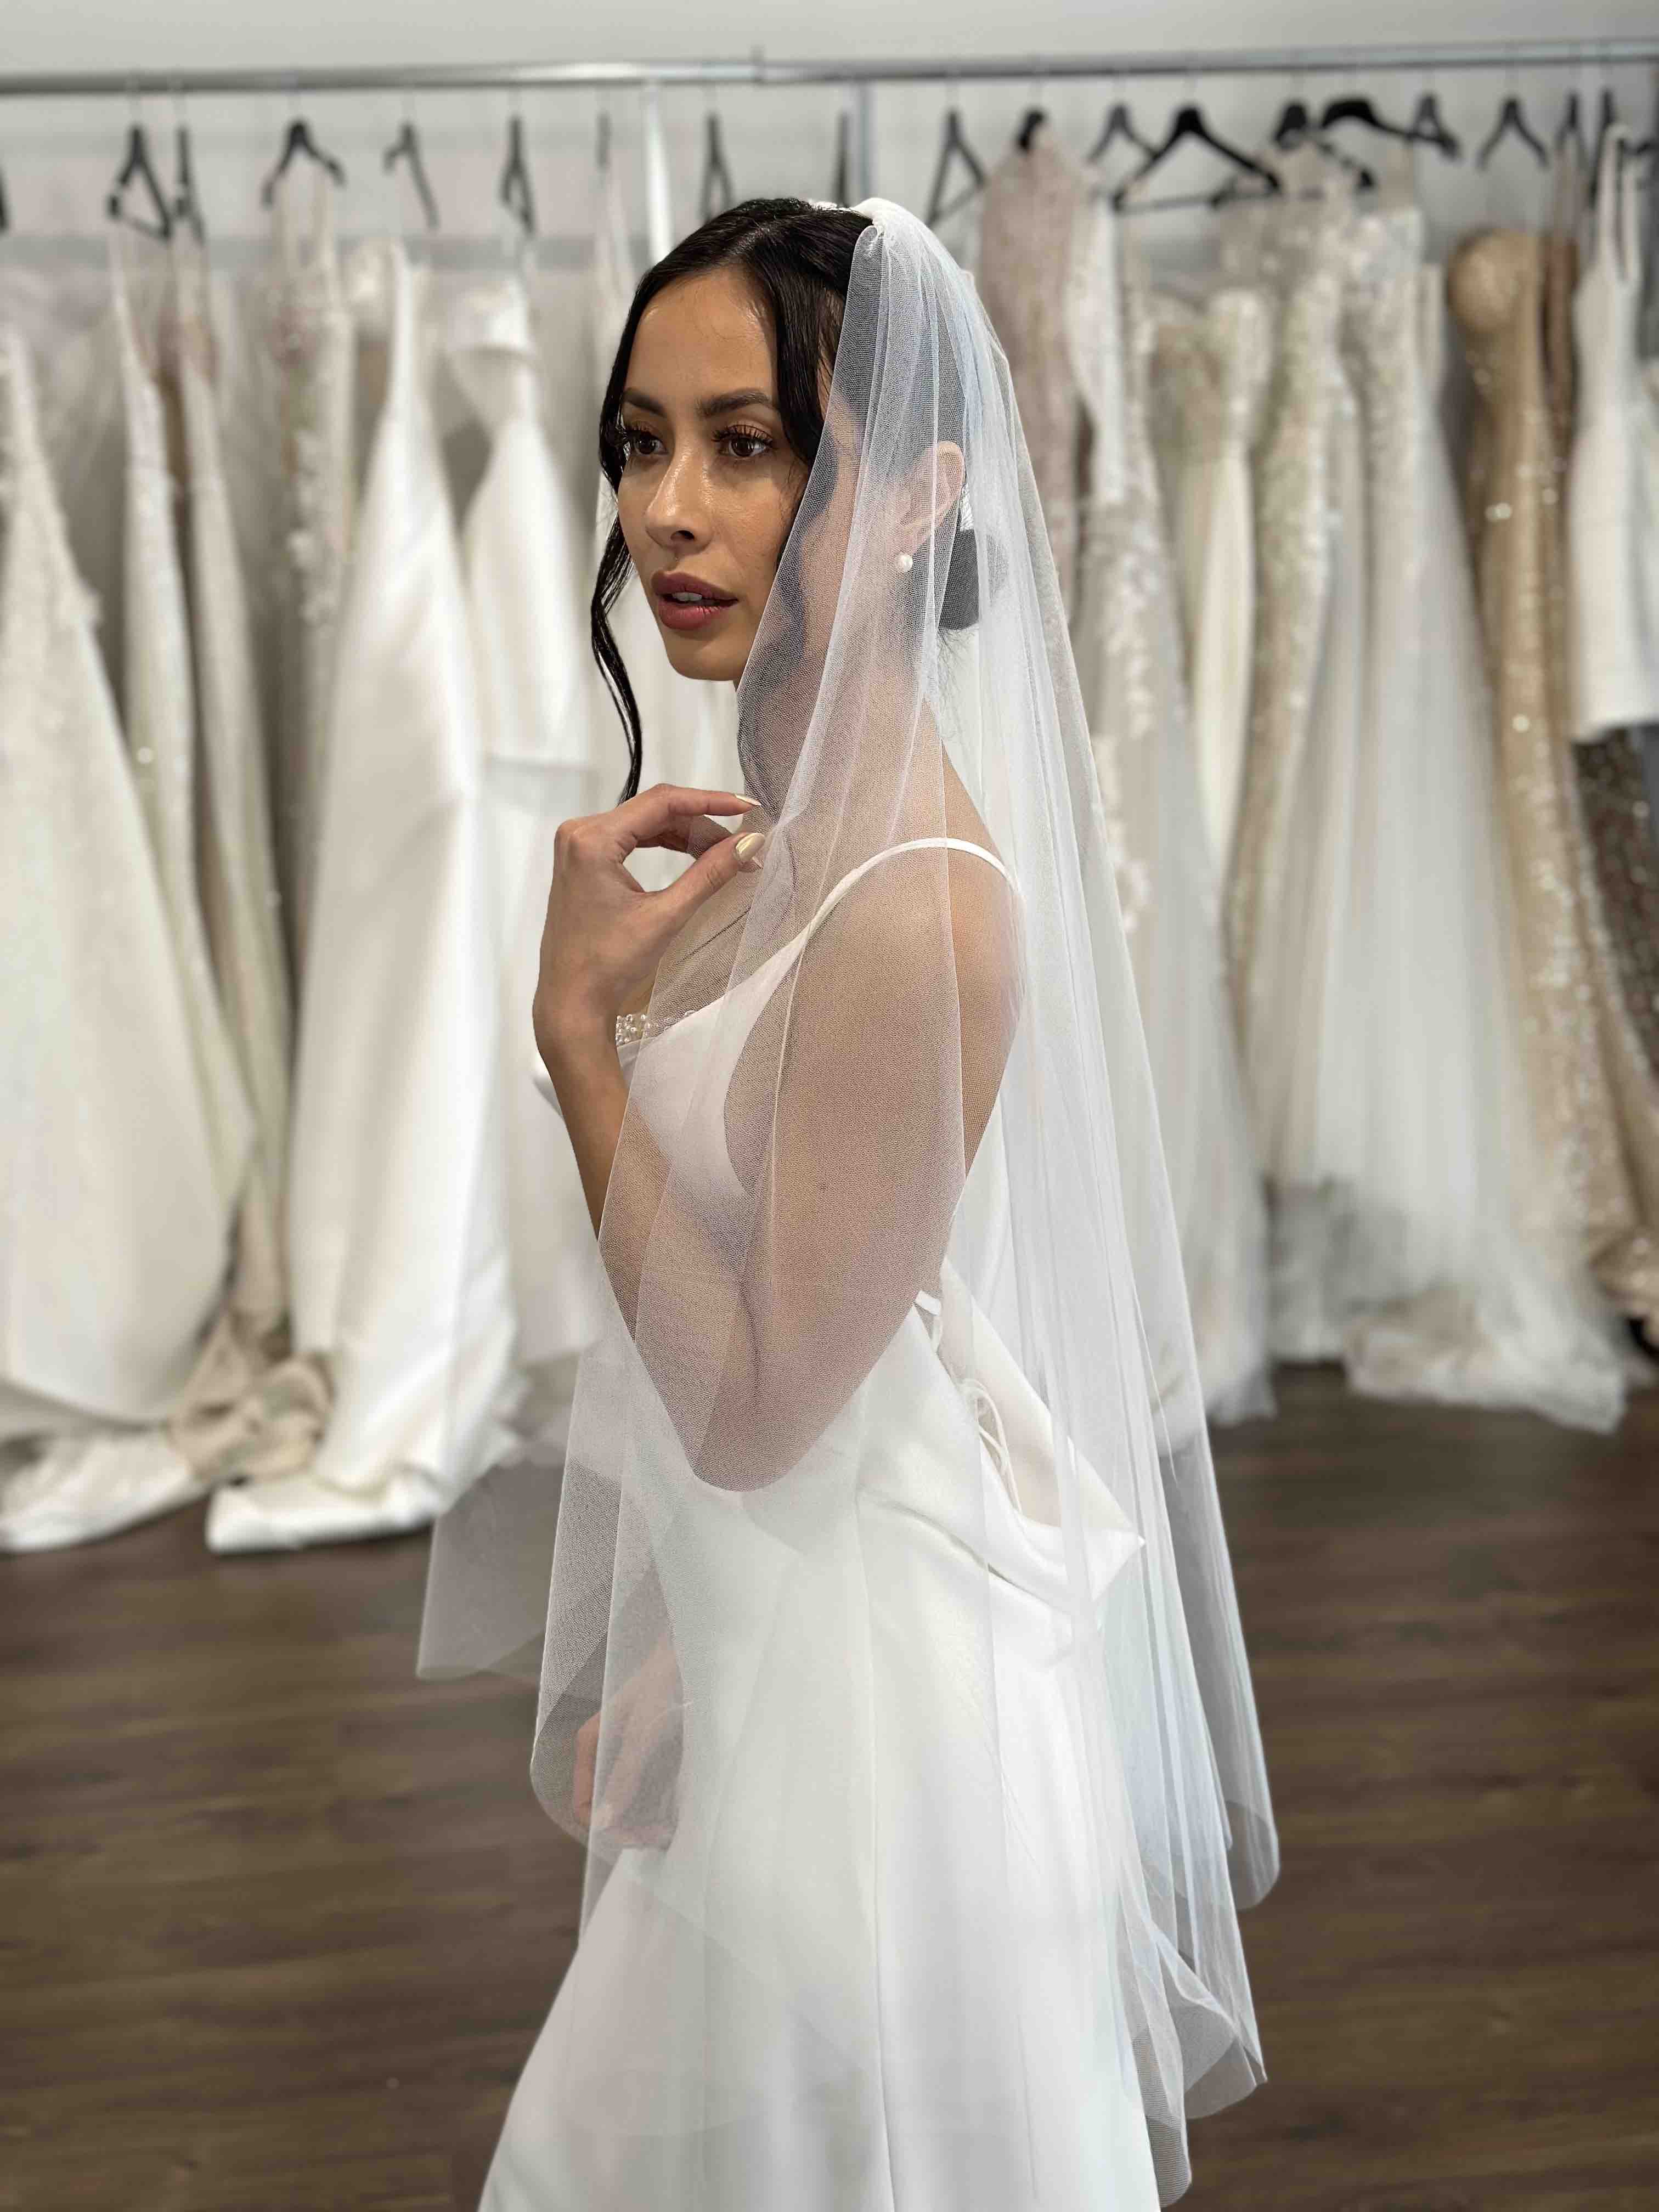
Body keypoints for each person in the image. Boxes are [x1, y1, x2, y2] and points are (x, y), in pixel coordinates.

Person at [420, 195, 1278, 2210]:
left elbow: (755, 1401)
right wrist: (679, 1645)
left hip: (889, 1779)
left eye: (752, 442)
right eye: (641, 441)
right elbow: (803, 1309)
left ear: (918, 495)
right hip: (785, 1671)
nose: (671, 511)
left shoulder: (918, 912)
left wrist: (579, 1044)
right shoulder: (800, 829)